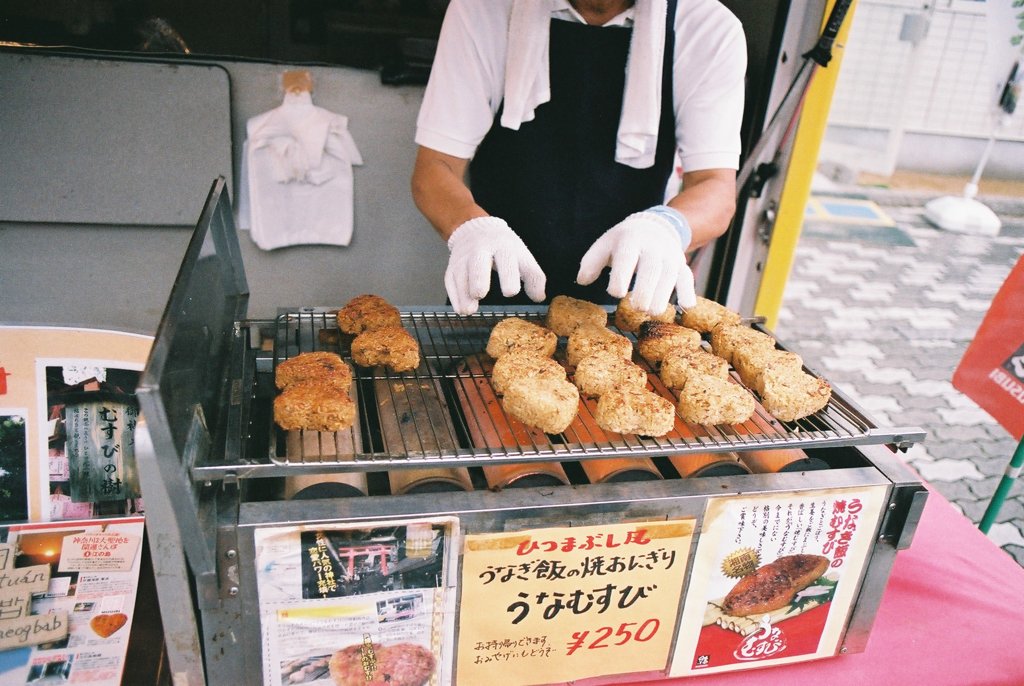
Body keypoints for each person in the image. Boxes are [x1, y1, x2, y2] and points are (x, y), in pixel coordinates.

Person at [411, 0, 746, 316]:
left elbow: (715, 186)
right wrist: (471, 228)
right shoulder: (486, 9)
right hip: (496, 285)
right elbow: (435, 168)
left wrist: (667, 228)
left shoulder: (707, 28)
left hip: (631, 303)